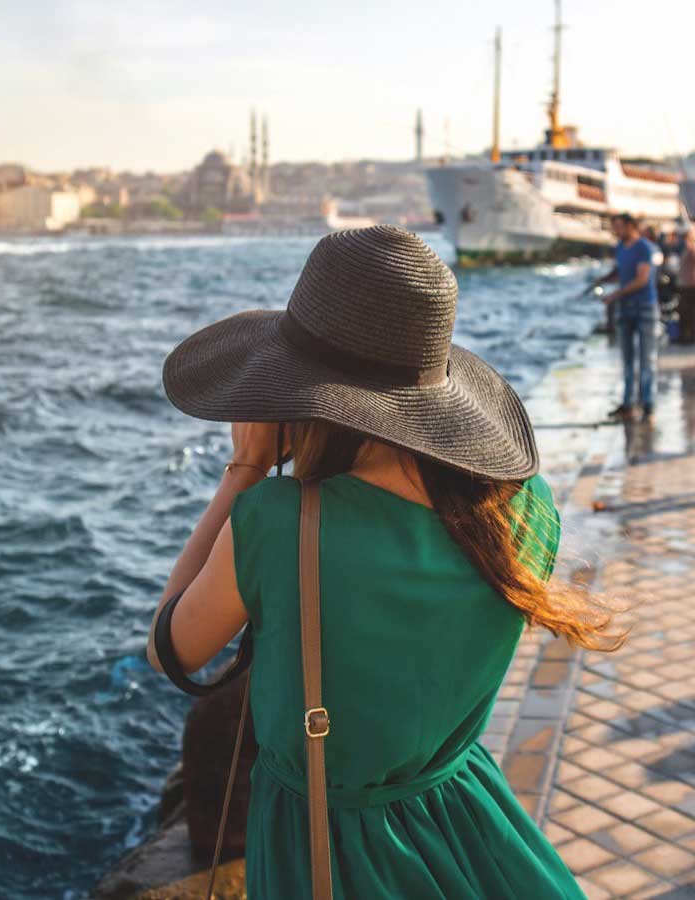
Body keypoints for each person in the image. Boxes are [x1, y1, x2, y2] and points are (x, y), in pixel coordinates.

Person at [147, 225, 619, 898]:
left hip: (328, 852)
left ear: (306, 393)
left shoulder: (281, 522)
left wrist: (246, 468)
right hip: (467, 822)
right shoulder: (523, 506)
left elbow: (170, 648)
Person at [588, 213, 660, 421]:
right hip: (625, 309)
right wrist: (602, 280)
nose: (616, 232)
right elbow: (620, 272)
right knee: (627, 359)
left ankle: (648, 406)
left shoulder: (644, 248)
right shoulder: (620, 248)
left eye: (618, 227)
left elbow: (641, 279)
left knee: (646, 359)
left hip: (645, 308)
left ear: (630, 226)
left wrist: (614, 295)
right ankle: (628, 404)